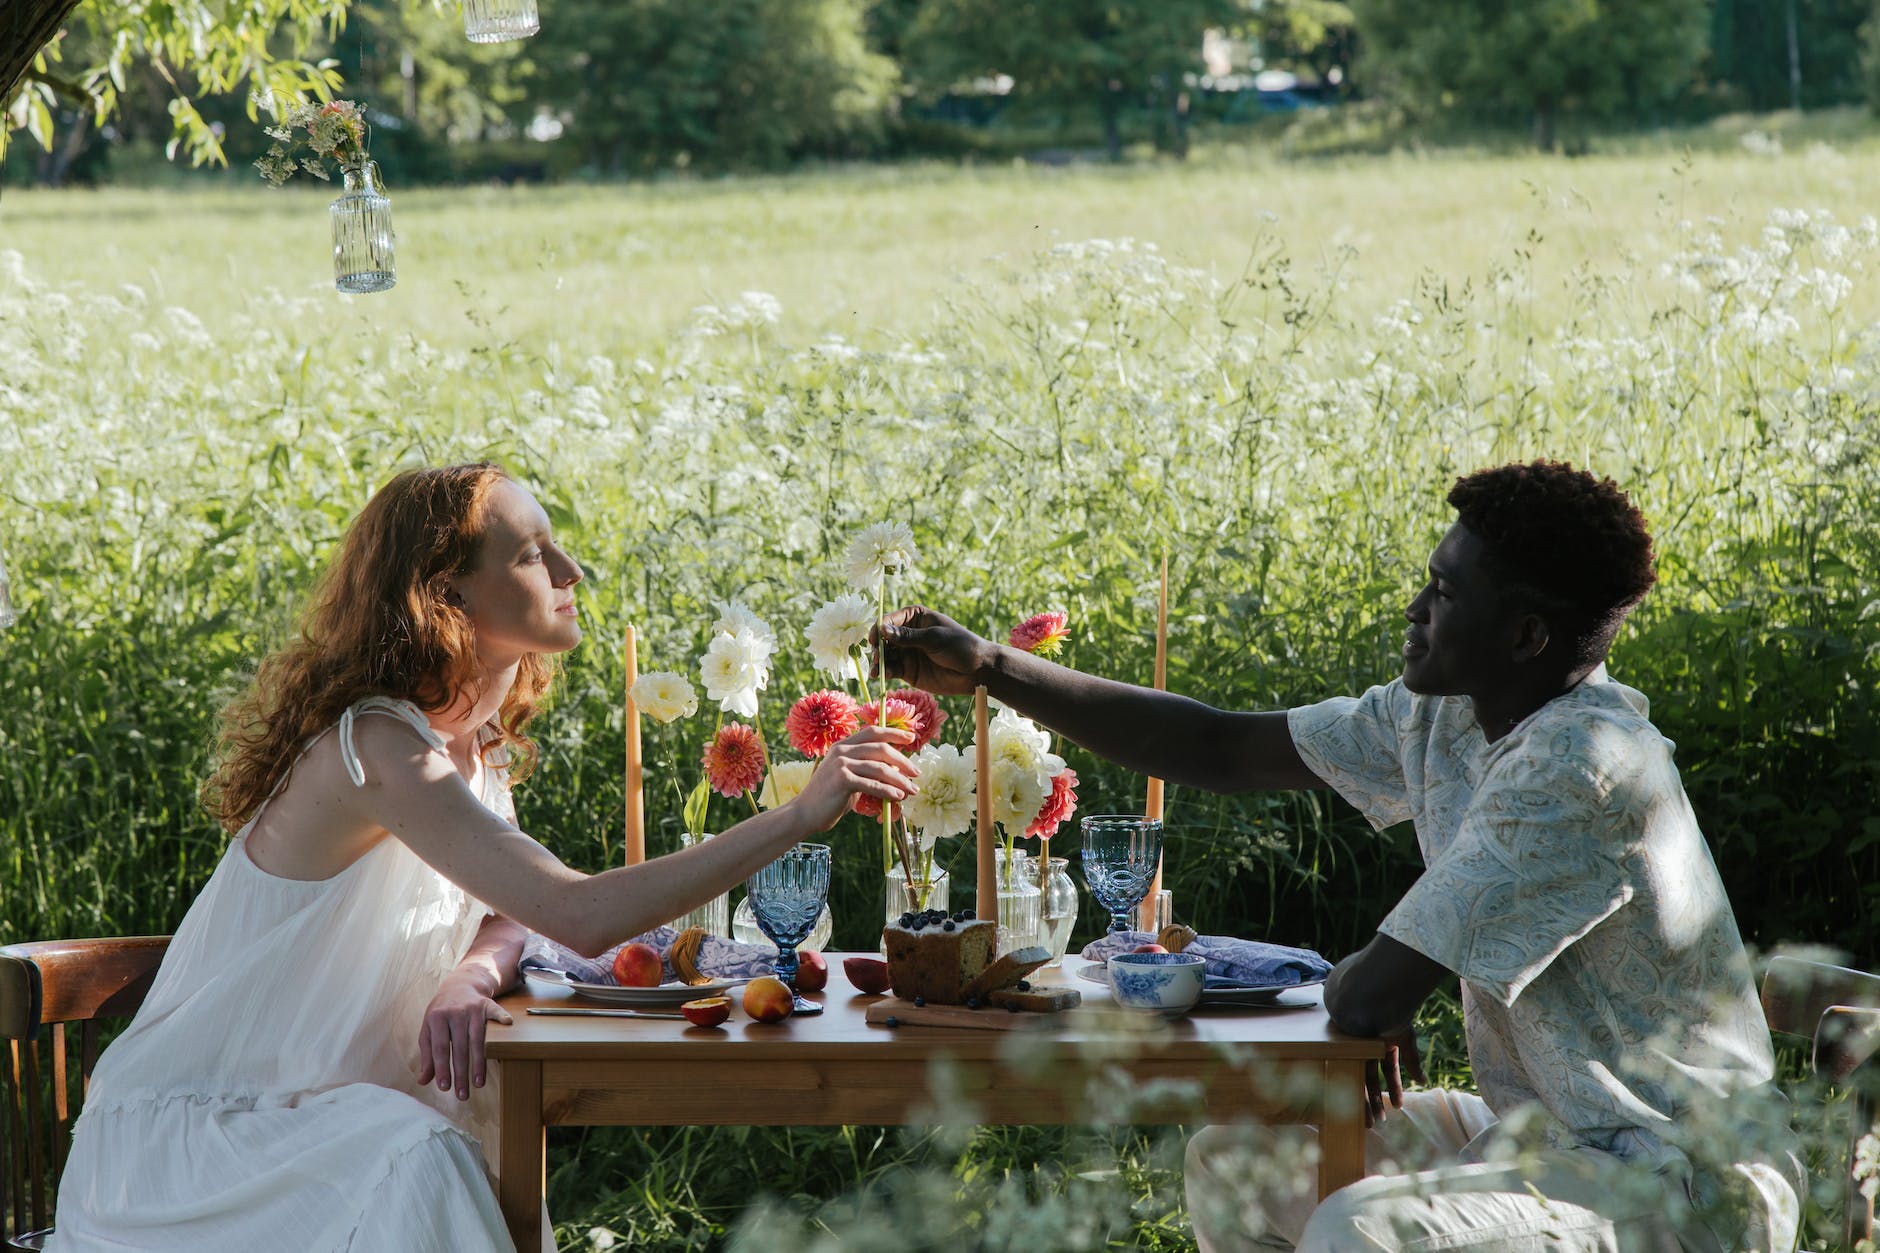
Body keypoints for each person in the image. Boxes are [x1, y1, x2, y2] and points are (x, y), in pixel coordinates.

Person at [878, 460, 1800, 1252]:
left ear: (1526, 635)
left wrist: (1371, 987)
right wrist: (994, 666)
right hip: (1544, 1136)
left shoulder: (1580, 770)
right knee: (1235, 1161)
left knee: (1357, 1227)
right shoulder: (1448, 709)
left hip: (1675, 1181)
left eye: (1446, 593)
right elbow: (1222, 748)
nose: (1417, 607)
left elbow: (1366, 998)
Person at [48, 463, 919, 1253]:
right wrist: (800, 814)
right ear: (448, 593)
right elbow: (574, 913)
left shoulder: (472, 754)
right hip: (197, 1150)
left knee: (451, 1140)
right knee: (425, 1156)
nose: (572, 573)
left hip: (325, 1123)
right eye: (536, 554)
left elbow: (510, 910)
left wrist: (471, 969)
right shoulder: (380, 751)